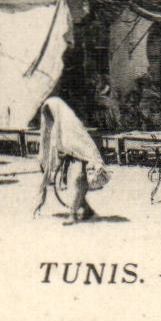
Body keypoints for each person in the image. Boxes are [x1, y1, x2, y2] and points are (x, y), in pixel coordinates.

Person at [34, 96, 108, 225]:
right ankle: (87, 210)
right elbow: (58, 144)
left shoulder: (69, 122)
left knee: (76, 182)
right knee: (78, 186)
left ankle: (72, 215)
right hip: (74, 158)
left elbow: (79, 143)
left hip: (84, 158)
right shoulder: (58, 124)